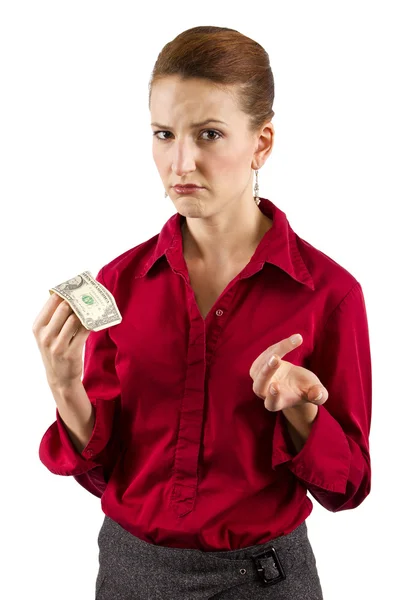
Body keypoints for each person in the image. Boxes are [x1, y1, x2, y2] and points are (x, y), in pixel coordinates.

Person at [33, 25, 372, 600]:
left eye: (210, 134)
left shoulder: (329, 294)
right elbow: (102, 473)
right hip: (129, 574)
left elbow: (349, 486)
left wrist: (301, 413)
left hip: (266, 580)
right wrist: (66, 387)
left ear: (261, 143)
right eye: (164, 134)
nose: (181, 161)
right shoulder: (119, 285)